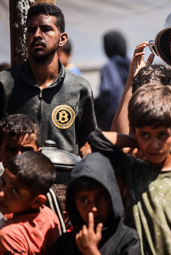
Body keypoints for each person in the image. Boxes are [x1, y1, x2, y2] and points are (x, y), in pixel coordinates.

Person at [89, 84, 171, 255]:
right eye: (146, 135)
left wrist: (143, 138)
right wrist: (136, 140)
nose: (154, 144)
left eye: (162, 135)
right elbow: (97, 139)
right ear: (134, 131)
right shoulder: (134, 170)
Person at [0, 3, 97, 157]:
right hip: (16, 179)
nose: (37, 35)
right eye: (31, 30)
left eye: (46, 29)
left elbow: (88, 142)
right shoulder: (5, 83)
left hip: (65, 179)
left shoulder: (79, 87)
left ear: (62, 39)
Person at [48, 152, 140, 255]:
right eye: (84, 201)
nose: (94, 208)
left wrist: (91, 251)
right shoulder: (65, 244)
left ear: (112, 197)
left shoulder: (129, 241)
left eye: (100, 198)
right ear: (74, 204)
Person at [0, 113, 67, 234]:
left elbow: (59, 240)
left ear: (39, 153)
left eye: (27, 150)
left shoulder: (46, 194)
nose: (18, 157)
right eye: (10, 150)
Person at [0, 151, 60, 254]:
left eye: (15, 191)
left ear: (37, 201)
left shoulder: (8, 235)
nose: (2, 194)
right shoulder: (49, 215)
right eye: (2, 182)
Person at [94, 30, 130, 131]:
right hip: (133, 114)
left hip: (114, 118)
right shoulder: (131, 63)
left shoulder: (108, 67)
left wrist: (93, 105)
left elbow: (106, 94)